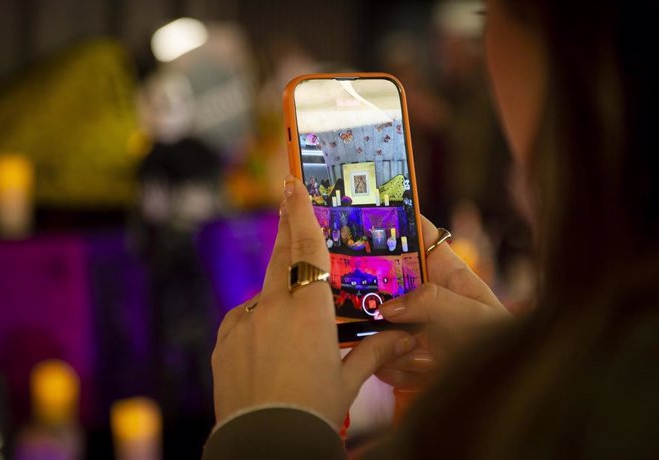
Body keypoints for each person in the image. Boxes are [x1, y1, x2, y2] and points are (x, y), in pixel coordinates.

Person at [203, 0, 659, 458]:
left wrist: (267, 432)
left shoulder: (619, 381)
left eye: (486, 16)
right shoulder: (611, 371)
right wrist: (514, 386)